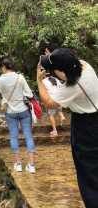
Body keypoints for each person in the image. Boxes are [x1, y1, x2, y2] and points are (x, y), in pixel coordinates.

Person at [37, 48, 98, 208]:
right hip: (94, 116)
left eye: (52, 70)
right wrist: (54, 58)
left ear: (63, 72)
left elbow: (49, 102)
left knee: (88, 173)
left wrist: (39, 81)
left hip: (87, 127)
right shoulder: (84, 65)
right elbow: (68, 64)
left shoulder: (72, 87)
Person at [0, 58, 36, 173]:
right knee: (28, 136)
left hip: (10, 112)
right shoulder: (20, 78)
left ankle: (18, 164)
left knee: (14, 136)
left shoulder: (0, 80)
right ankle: (31, 165)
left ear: (4, 67)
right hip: (24, 111)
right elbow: (29, 93)